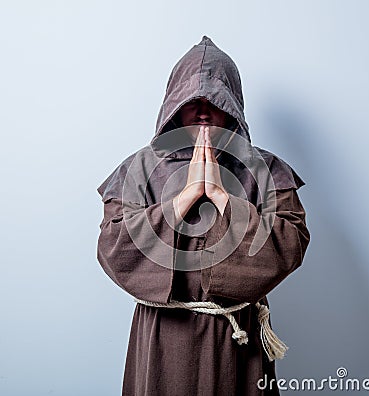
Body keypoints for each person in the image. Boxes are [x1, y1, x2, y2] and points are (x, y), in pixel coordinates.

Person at [96, 35, 310, 396]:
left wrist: (222, 197)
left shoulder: (267, 171)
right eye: (192, 101)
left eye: (214, 100)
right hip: (163, 336)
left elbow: (291, 243)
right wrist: (185, 197)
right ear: (173, 105)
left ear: (233, 106)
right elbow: (113, 249)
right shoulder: (138, 169)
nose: (203, 111)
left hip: (236, 340)